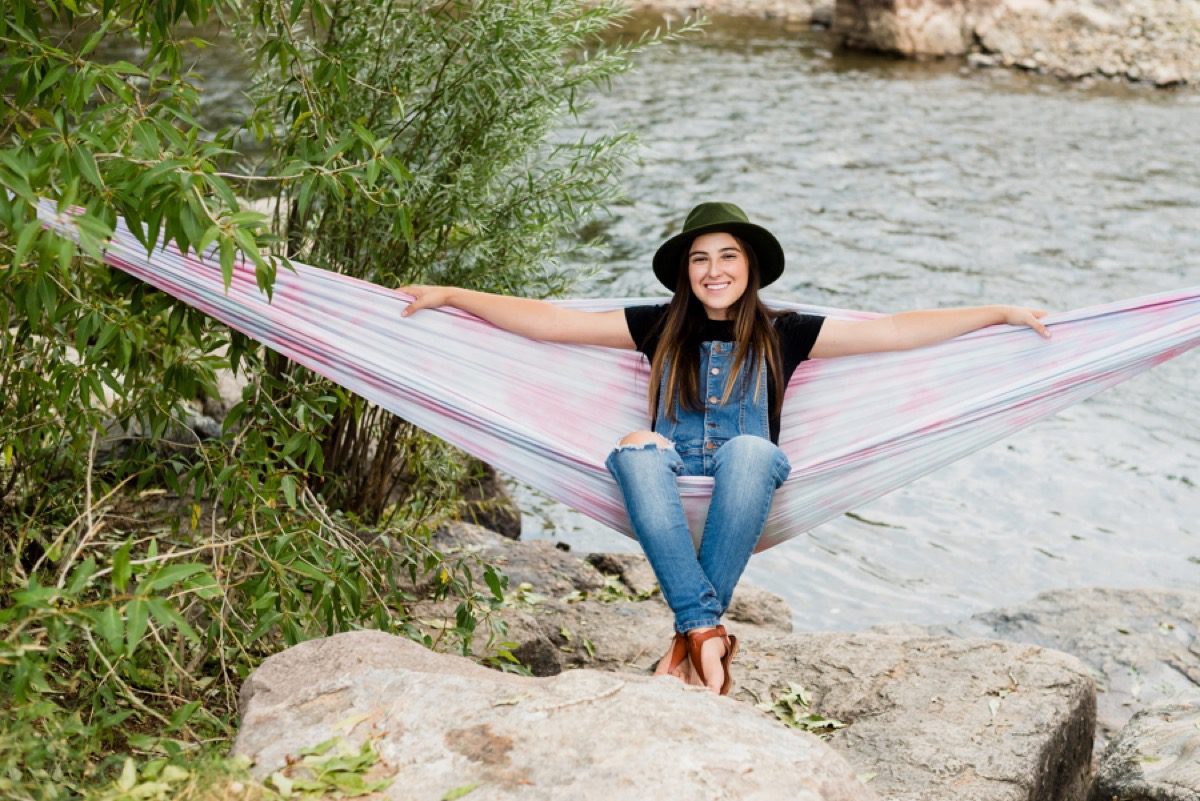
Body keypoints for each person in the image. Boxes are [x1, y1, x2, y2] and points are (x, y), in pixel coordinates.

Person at [401, 201, 1050, 696]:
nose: (714, 270)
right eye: (700, 259)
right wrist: (453, 295)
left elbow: (898, 332)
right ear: (686, 272)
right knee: (635, 442)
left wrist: (995, 311)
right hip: (673, 475)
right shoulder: (659, 325)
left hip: (750, 475)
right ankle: (704, 636)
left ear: (750, 266)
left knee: (746, 447)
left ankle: (689, 636)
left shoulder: (785, 333)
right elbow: (547, 321)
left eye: (728, 256)